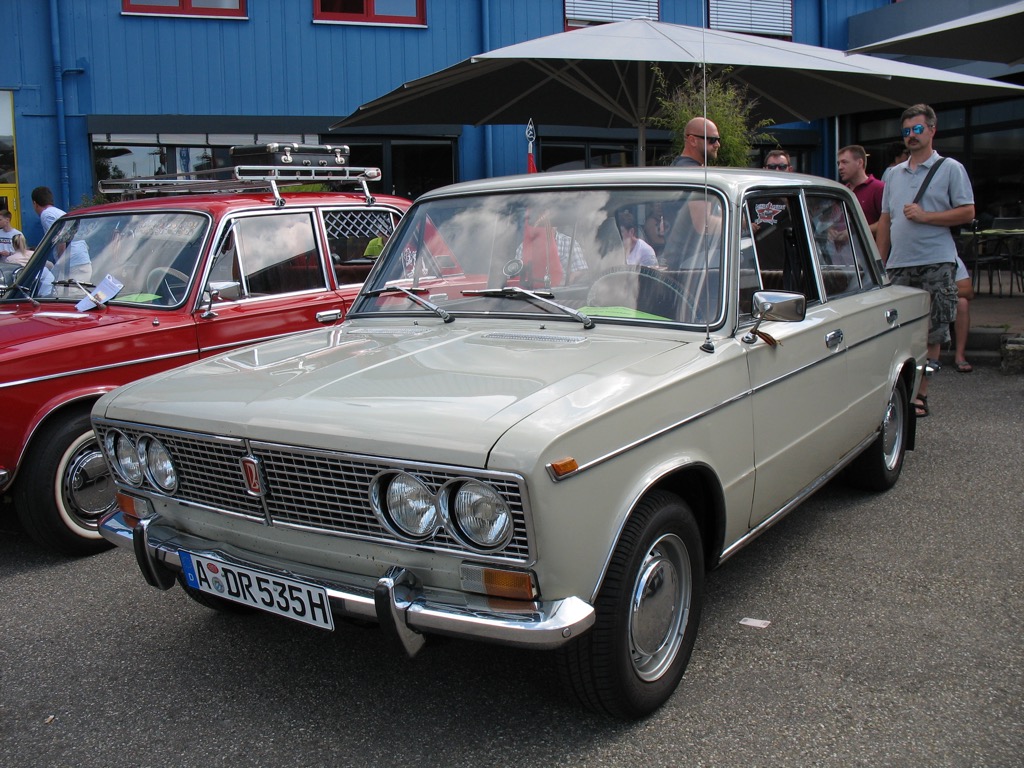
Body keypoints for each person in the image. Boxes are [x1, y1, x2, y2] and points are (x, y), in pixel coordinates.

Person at [875, 104, 975, 418]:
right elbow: (886, 220)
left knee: (933, 331)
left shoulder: (950, 168)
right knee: (898, 331)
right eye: (906, 131)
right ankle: (898, 391)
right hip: (899, 264)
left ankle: (921, 394)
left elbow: (967, 212)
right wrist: (880, 263)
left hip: (936, 261)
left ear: (932, 130)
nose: (911, 136)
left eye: (917, 129)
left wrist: (926, 216)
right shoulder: (893, 174)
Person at [837, 144, 885, 235]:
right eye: (838, 163)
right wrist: (831, 231)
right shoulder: (842, 191)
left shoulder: (879, 188)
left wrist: (853, 232)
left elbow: (887, 222)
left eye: (844, 162)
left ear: (859, 163)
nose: (840, 167)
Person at [953, 255, 974, 373]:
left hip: (945, 303)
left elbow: (969, 292)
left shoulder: (951, 258)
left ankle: (960, 355)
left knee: (962, 303)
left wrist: (944, 291)